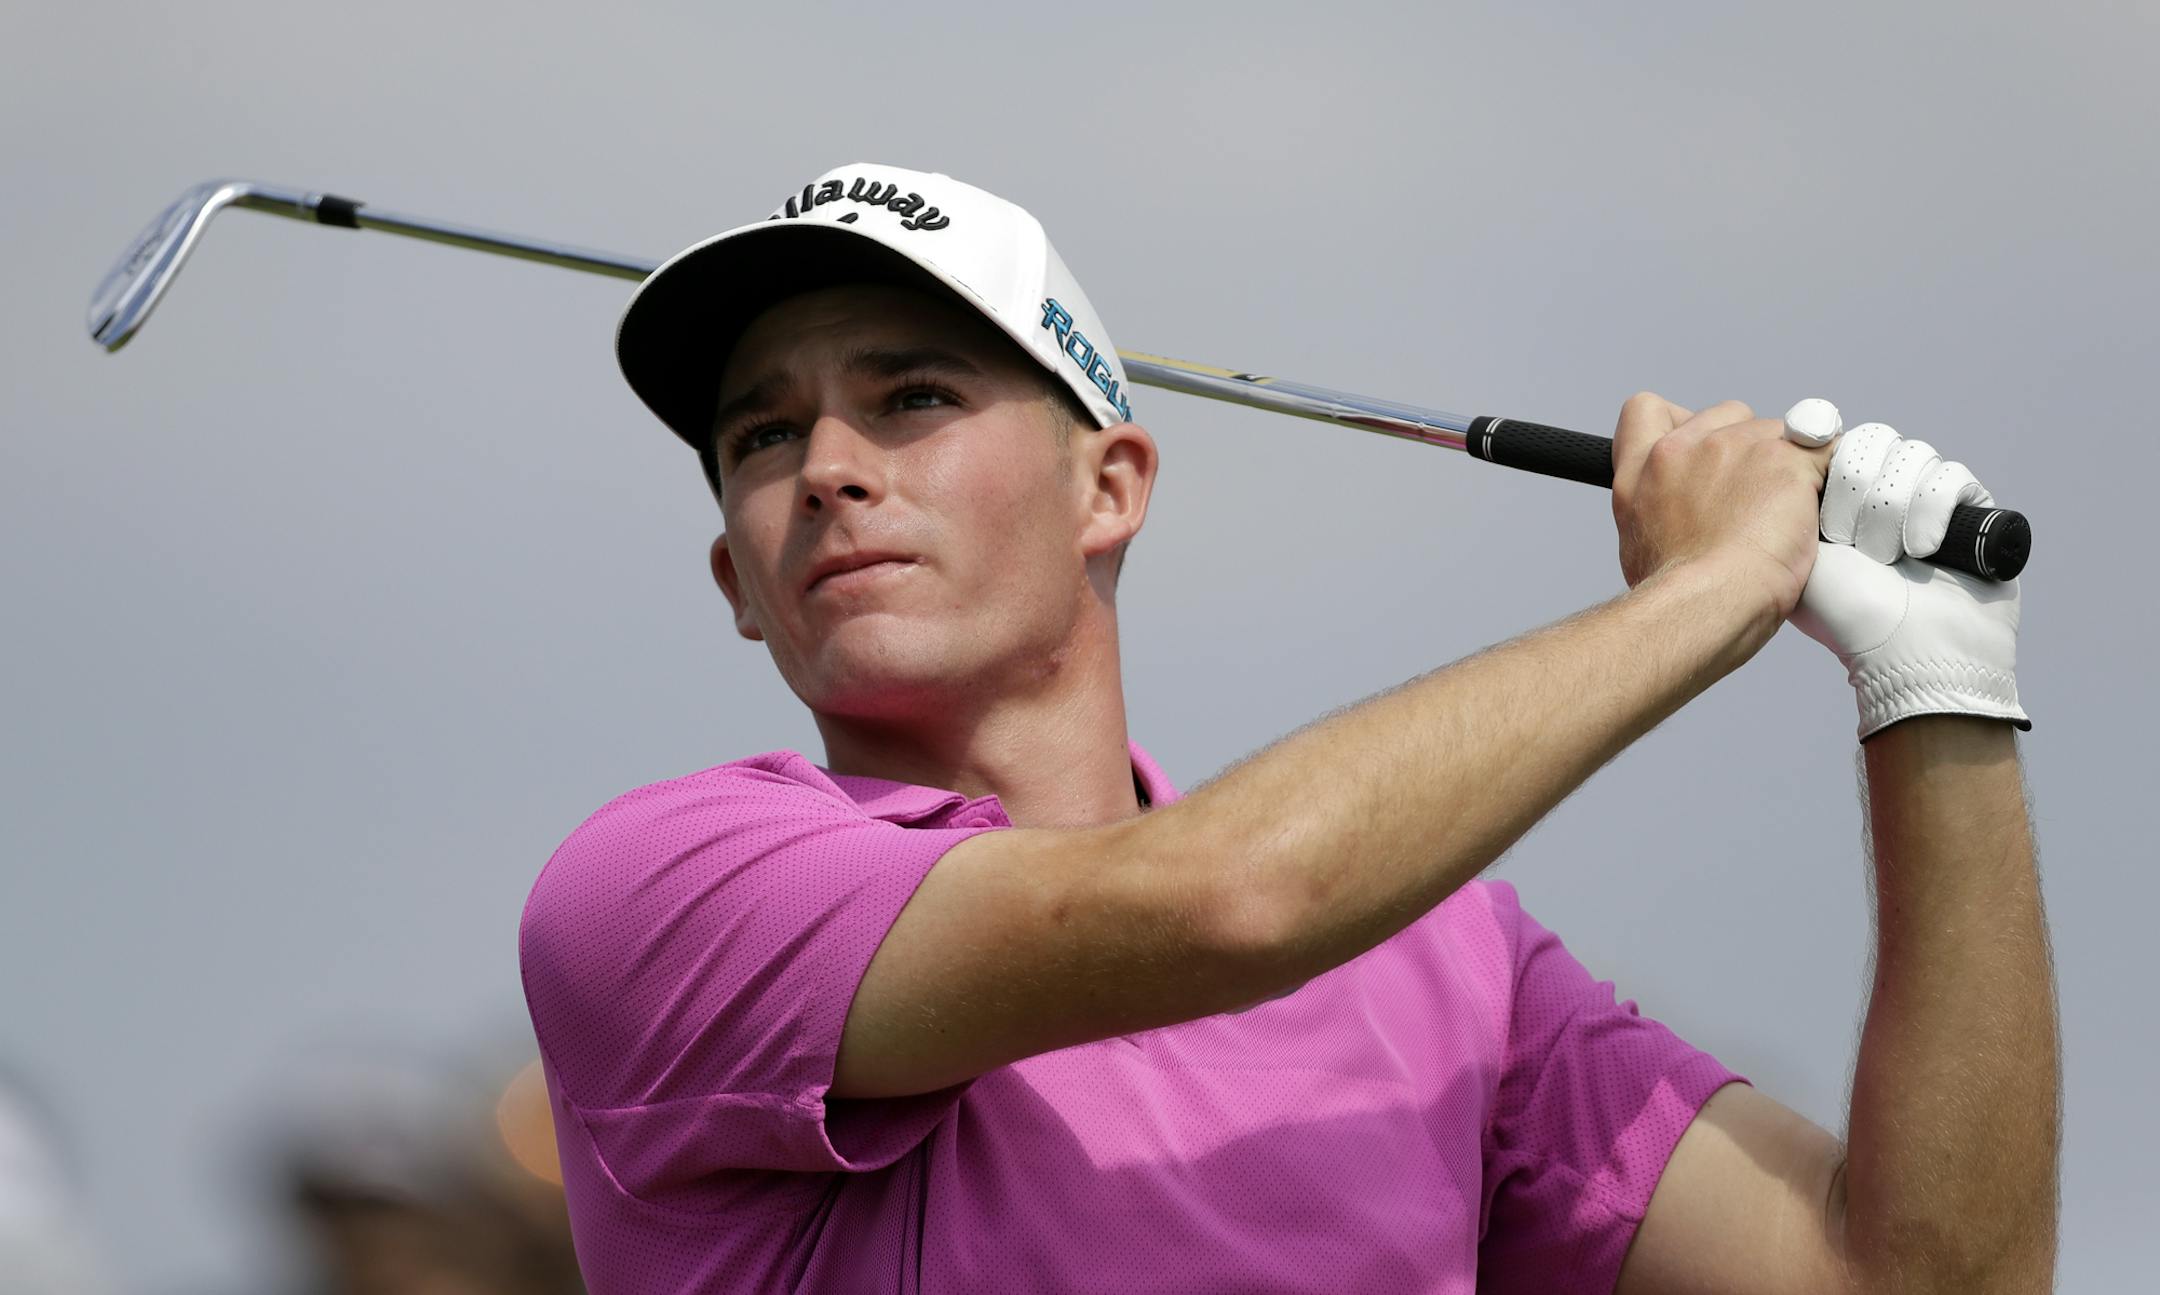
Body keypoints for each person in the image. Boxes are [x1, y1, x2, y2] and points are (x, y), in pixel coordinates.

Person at [517, 163, 2059, 1293]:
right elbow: (1228, 902)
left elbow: (1923, 1284)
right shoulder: (656, 888)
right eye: (764, 435)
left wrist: (1938, 697)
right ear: (737, 574)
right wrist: (1712, 591)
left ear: (1109, 488)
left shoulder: (1450, 963)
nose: (831, 467)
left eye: (911, 395)